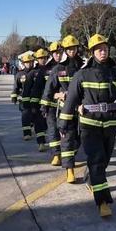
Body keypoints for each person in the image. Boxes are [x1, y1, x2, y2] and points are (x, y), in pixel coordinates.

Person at [58, 34, 116, 218]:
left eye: (105, 48)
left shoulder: (115, 73)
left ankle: (91, 178)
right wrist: (63, 123)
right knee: (96, 161)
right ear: (92, 52)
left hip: (110, 125)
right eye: (99, 49)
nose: (103, 52)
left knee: (103, 162)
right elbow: (70, 100)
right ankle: (103, 201)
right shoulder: (82, 74)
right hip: (89, 126)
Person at [42, 35, 84, 181]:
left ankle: (70, 158)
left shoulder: (83, 67)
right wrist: (45, 105)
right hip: (65, 110)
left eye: (74, 48)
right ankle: (69, 170)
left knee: (78, 140)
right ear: (65, 50)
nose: (72, 51)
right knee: (67, 138)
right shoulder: (58, 69)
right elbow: (48, 90)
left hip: (82, 111)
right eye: (69, 49)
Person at [40, 41, 64, 166]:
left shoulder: (68, 66)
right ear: (51, 54)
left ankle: (67, 152)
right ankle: (56, 155)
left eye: (60, 53)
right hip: (51, 105)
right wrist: (44, 105)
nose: (58, 55)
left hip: (65, 104)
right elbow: (41, 88)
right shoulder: (45, 69)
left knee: (66, 129)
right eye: (55, 53)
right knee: (53, 129)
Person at [23, 49, 51, 151]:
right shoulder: (32, 73)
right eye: (40, 58)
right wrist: (28, 105)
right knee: (39, 123)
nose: (43, 60)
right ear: (36, 59)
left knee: (46, 124)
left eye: (44, 58)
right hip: (37, 103)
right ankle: (41, 143)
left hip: (50, 103)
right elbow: (27, 90)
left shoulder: (51, 70)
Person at [11, 54, 35, 140]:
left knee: (33, 116)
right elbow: (16, 87)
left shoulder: (37, 73)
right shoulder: (19, 74)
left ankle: (32, 125)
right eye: (27, 62)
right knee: (25, 116)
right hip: (24, 100)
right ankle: (27, 134)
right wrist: (14, 97)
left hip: (35, 100)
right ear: (24, 63)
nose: (29, 64)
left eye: (30, 62)